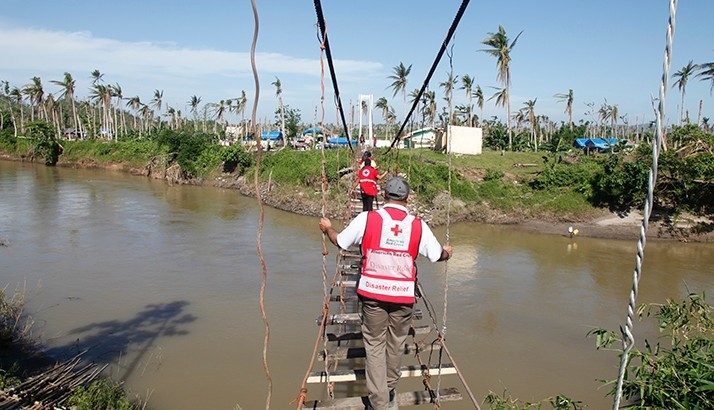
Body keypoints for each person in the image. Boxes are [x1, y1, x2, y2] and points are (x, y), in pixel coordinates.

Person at [319, 176, 453, 410]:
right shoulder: (418, 224)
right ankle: (387, 390)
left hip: (372, 296)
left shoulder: (367, 218)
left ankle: (380, 403)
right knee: (396, 344)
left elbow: (340, 242)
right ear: (407, 199)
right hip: (403, 297)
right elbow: (436, 255)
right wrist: (447, 253)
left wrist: (328, 228)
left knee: (374, 346)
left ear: (383, 196)